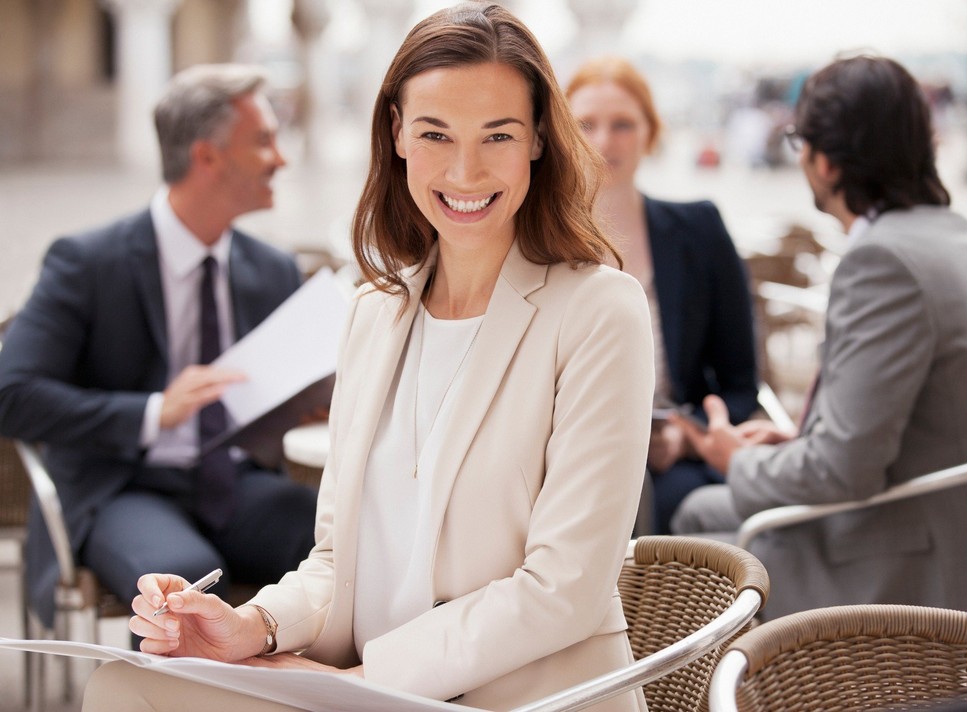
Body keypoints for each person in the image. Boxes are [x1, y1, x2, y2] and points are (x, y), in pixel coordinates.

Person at [82, 3, 654, 711]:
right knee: (126, 685)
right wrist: (251, 626)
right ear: (398, 135)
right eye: (435, 133)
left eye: (497, 135)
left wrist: (358, 682)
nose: (466, 170)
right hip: (357, 686)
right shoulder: (373, 314)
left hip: (515, 697)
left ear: (538, 138)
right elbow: (335, 561)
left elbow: (563, 591)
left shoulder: (601, 311)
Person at [0, 63, 319, 633]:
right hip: (123, 488)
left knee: (351, 547)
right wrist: (153, 412)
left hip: (239, 483)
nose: (281, 157)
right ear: (207, 156)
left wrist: (314, 400)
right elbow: (11, 393)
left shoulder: (272, 269)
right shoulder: (86, 262)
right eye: (264, 140)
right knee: (184, 586)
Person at [671, 55, 967, 620]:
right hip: (952, 518)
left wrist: (732, 458)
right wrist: (796, 443)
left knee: (694, 515)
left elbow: (843, 470)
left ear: (824, 161)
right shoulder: (961, 237)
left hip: (913, 554)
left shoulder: (882, 260)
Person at [565, 57, 759, 534]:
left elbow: (740, 383)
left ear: (651, 134)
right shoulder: (536, 244)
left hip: (672, 460)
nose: (604, 141)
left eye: (623, 125)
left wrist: (686, 433)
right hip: (570, 457)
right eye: (585, 125)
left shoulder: (700, 229)